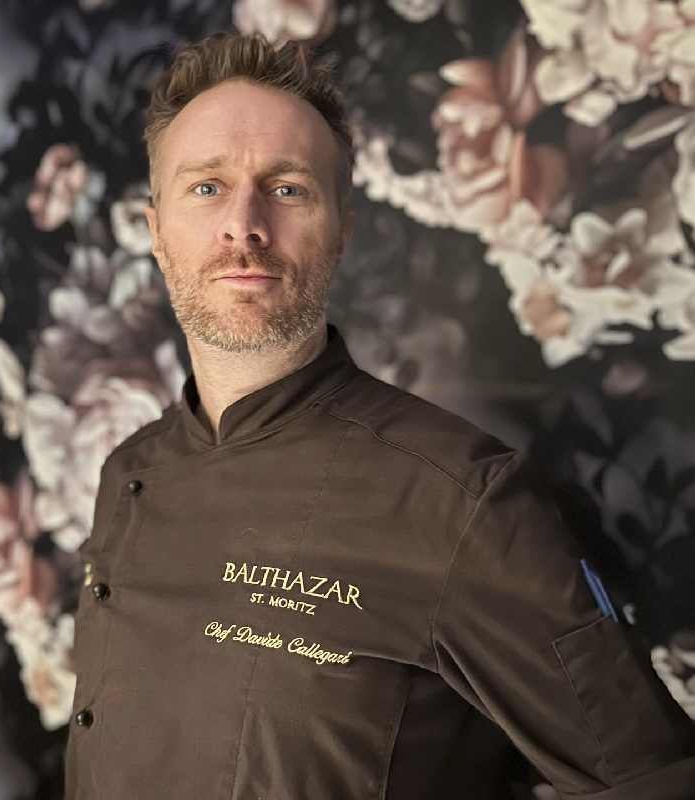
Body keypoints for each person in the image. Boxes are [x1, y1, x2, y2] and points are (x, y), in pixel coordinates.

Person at [63, 30, 695, 800]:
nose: (244, 225)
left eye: (287, 188)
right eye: (205, 187)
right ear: (156, 232)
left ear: (342, 230)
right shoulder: (127, 470)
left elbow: (655, 780)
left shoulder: (464, 503)